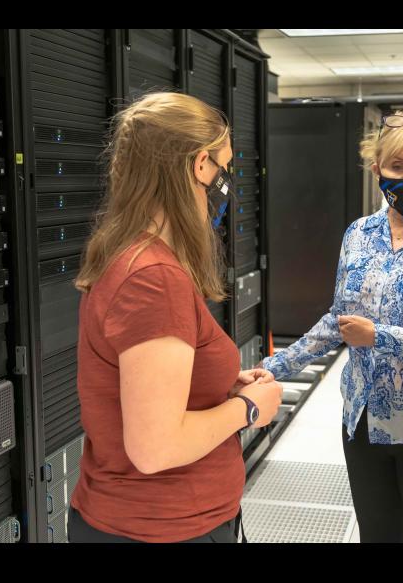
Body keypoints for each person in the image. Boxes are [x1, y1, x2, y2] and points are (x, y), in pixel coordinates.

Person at [262, 112, 403, 542]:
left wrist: (381, 336)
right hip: (362, 419)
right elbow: (339, 319)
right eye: (398, 167)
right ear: (377, 171)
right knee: (377, 535)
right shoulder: (359, 234)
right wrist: (275, 367)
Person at [68, 92, 282, 543]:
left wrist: (218, 381)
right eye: (223, 167)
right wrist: (247, 409)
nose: (226, 182)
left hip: (147, 522)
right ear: (199, 164)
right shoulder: (154, 279)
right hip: (160, 528)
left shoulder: (130, 255)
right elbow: (155, 448)